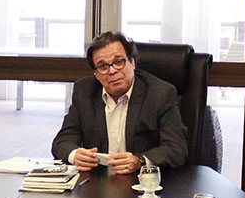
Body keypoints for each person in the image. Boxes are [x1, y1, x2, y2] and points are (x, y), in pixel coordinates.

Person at [51, 31, 187, 174]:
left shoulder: (160, 93)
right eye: (103, 67)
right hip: (96, 181)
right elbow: (62, 142)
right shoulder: (84, 91)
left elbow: (177, 148)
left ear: (132, 63)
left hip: (141, 180)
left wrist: (139, 161)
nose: (112, 71)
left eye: (119, 62)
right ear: (96, 74)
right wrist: (75, 155)